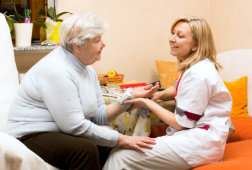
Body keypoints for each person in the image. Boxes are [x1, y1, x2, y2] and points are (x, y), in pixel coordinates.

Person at [1, 13, 159, 170]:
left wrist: (128, 99)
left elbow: (98, 116)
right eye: (97, 40)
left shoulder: (87, 69)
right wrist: (121, 138)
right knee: (86, 150)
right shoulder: (57, 70)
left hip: (58, 131)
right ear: (77, 45)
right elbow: (74, 126)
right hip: (30, 134)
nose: (104, 44)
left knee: (107, 146)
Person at [103, 16, 232, 170]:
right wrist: (159, 95)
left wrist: (147, 102)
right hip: (199, 140)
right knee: (121, 151)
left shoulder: (198, 74)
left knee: (120, 156)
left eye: (180, 36)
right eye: (172, 33)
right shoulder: (197, 67)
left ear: (196, 45)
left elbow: (181, 124)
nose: (171, 39)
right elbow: (179, 88)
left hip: (199, 143)